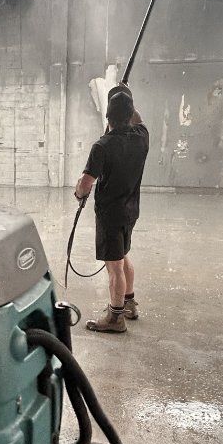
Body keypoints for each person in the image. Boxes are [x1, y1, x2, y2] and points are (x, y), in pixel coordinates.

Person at [74, 83, 149, 334]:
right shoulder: (142, 137)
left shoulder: (102, 146)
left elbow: (86, 184)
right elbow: (138, 119)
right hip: (131, 211)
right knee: (123, 254)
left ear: (108, 117)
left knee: (114, 266)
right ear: (130, 114)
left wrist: (78, 193)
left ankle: (116, 317)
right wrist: (127, 95)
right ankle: (129, 303)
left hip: (109, 214)